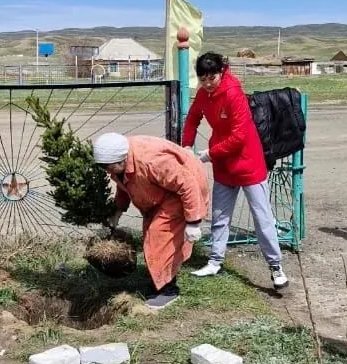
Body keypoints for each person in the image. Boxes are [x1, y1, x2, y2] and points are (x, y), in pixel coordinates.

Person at [182, 52, 289, 292]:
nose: (208, 83)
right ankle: (215, 261)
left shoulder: (233, 93)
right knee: (220, 215)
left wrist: (208, 155)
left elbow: (239, 137)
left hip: (247, 161)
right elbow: (192, 119)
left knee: (262, 218)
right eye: (203, 79)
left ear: (221, 72)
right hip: (223, 163)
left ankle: (276, 267)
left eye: (212, 77)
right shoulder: (203, 94)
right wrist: (187, 145)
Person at [92, 132, 210, 311]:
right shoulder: (120, 161)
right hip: (163, 191)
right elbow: (125, 186)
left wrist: (193, 221)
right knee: (151, 234)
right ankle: (158, 281)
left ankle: (168, 290)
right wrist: (118, 210)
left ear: (121, 160)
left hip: (183, 190)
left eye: (109, 167)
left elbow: (187, 184)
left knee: (159, 236)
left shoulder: (152, 162)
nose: (107, 172)